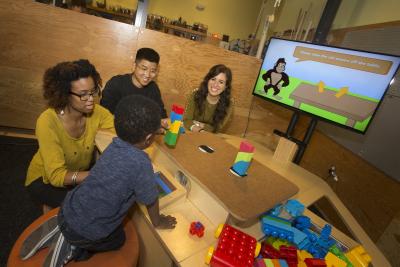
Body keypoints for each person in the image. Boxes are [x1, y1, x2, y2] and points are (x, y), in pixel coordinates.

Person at [19, 95, 177, 266]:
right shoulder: (142, 163)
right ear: (148, 138)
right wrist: (159, 221)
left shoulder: (113, 145)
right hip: (85, 231)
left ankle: (57, 228)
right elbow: (150, 199)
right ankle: (73, 248)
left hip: (67, 208)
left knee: (73, 221)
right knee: (118, 239)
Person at [25, 59, 114, 211]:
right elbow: (56, 176)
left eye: (93, 91)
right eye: (83, 94)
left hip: (77, 174)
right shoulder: (47, 121)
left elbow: (116, 137)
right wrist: (96, 176)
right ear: (65, 94)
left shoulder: (98, 113)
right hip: (45, 180)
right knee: (90, 207)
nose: (91, 99)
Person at [100, 47, 169, 130]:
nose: (147, 75)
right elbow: (104, 114)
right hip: (113, 131)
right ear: (134, 66)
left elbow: (161, 115)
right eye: (144, 69)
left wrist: (163, 123)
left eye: (153, 71)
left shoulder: (153, 89)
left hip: (140, 137)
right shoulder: (116, 83)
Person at [183, 64, 233, 133]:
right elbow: (186, 120)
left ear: (226, 86)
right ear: (207, 80)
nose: (215, 84)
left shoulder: (229, 103)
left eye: (221, 82)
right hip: (190, 132)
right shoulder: (195, 94)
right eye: (213, 79)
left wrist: (201, 125)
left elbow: (217, 128)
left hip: (209, 137)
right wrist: (200, 130)